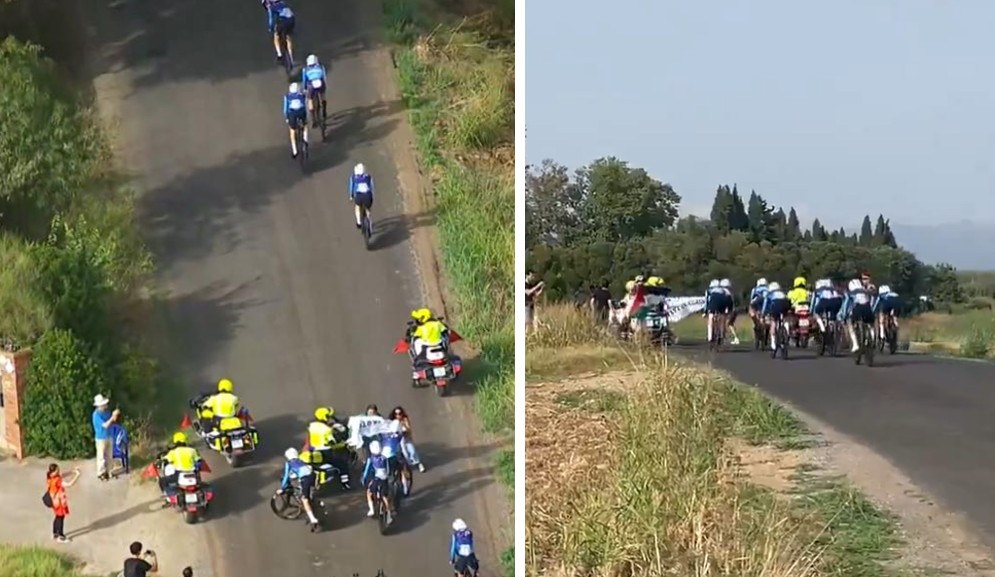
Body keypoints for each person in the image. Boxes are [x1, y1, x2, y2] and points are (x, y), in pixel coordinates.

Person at [306, 407, 352, 488]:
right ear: (325, 417)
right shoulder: (327, 430)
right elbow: (332, 442)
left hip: (315, 450)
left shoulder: (312, 426)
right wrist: (341, 442)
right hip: (326, 452)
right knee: (342, 465)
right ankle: (345, 483)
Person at [279, 448, 320, 527]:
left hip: (305, 479)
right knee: (309, 491)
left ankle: (313, 519)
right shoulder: (301, 459)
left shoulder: (289, 463)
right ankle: (313, 502)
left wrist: (282, 488)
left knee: (305, 500)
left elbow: (286, 477)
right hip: (313, 475)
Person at [46, 463, 80, 543]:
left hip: (54, 501)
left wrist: (72, 471)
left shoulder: (49, 477)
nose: (59, 471)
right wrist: (77, 475)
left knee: (57, 517)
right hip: (59, 502)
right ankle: (60, 536)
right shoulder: (57, 481)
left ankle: (54, 533)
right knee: (60, 518)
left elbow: (62, 475)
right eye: (57, 470)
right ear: (54, 471)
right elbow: (69, 484)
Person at [839, 278, 875, 352]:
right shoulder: (864, 290)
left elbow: (846, 304)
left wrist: (844, 315)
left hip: (858, 308)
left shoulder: (851, 293)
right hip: (867, 307)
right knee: (870, 324)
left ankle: (855, 344)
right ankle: (872, 337)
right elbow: (872, 299)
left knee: (850, 323)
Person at [361, 440, 393, 521]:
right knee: (385, 496)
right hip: (385, 478)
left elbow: (367, 471)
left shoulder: (371, 459)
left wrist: (363, 479)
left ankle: (371, 510)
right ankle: (389, 515)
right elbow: (388, 469)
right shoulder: (385, 458)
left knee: (369, 492)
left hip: (377, 478)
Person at [92, 393, 120, 481]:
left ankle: (109, 471)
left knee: (109, 455)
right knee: (101, 456)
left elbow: (113, 421)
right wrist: (112, 417)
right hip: (101, 438)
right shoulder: (96, 415)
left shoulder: (106, 412)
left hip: (109, 435)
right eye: (103, 404)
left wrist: (115, 415)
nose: (105, 406)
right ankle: (101, 473)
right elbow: (105, 425)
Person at [390, 406, 426, 472]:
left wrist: (403, 425)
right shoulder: (392, 421)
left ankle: (418, 463)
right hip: (397, 440)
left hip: (406, 439)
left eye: (399, 413)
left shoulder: (405, 419)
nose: (398, 415)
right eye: (396, 414)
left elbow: (408, 429)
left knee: (412, 451)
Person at [760, 281, 790, 351]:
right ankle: (787, 331)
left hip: (776, 305)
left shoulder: (769, 294)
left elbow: (765, 305)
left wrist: (763, 314)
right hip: (785, 303)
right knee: (784, 319)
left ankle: (773, 342)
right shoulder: (782, 293)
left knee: (774, 321)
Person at [301, 54, 328, 127]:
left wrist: (304, 88)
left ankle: (313, 119)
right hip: (320, 83)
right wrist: (325, 85)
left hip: (311, 85)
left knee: (310, 100)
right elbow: (324, 76)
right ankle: (324, 111)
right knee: (323, 95)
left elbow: (304, 80)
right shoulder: (321, 67)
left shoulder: (305, 69)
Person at [703, 279, 733, 343]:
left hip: (713, 303)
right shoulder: (725, 291)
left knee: (710, 320)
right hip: (723, 302)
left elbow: (707, 302)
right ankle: (721, 335)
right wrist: (729, 310)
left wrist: (705, 311)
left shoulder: (709, 291)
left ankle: (710, 337)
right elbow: (730, 302)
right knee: (722, 318)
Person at [283, 82, 308, 158]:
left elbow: (285, 109)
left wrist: (287, 118)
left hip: (292, 114)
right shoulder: (302, 95)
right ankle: (305, 139)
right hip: (301, 112)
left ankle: (295, 151)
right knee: (305, 125)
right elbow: (305, 105)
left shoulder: (287, 97)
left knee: (292, 132)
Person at [349, 163, 375, 229]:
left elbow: (351, 188)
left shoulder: (353, 177)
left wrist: (351, 196)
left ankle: (358, 222)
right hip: (367, 195)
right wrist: (372, 196)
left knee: (357, 207)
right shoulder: (368, 177)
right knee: (368, 209)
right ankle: (369, 221)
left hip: (359, 196)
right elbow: (372, 187)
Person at [719, 278, 741, 345]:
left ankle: (728, 338)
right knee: (730, 324)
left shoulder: (726, 293)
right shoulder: (731, 293)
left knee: (727, 324)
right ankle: (731, 337)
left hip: (730, 310)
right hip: (734, 310)